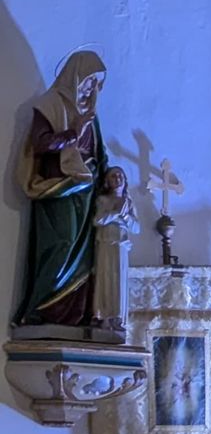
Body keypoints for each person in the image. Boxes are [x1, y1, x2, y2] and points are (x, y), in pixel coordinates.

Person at [13, 51, 126, 331]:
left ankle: (76, 317)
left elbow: (99, 154)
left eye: (96, 85)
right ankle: (40, 311)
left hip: (87, 193)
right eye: (88, 82)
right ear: (74, 77)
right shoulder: (49, 105)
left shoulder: (91, 116)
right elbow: (41, 145)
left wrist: (112, 178)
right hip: (59, 189)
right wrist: (73, 133)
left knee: (85, 257)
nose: (91, 89)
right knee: (60, 245)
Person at [91, 168, 140, 338]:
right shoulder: (103, 200)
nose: (117, 178)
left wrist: (125, 217)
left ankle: (117, 317)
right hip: (106, 242)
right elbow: (97, 220)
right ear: (107, 181)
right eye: (113, 175)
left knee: (119, 280)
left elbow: (136, 227)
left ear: (125, 180)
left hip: (121, 244)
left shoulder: (129, 201)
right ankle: (103, 315)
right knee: (106, 278)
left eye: (121, 175)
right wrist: (115, 213)